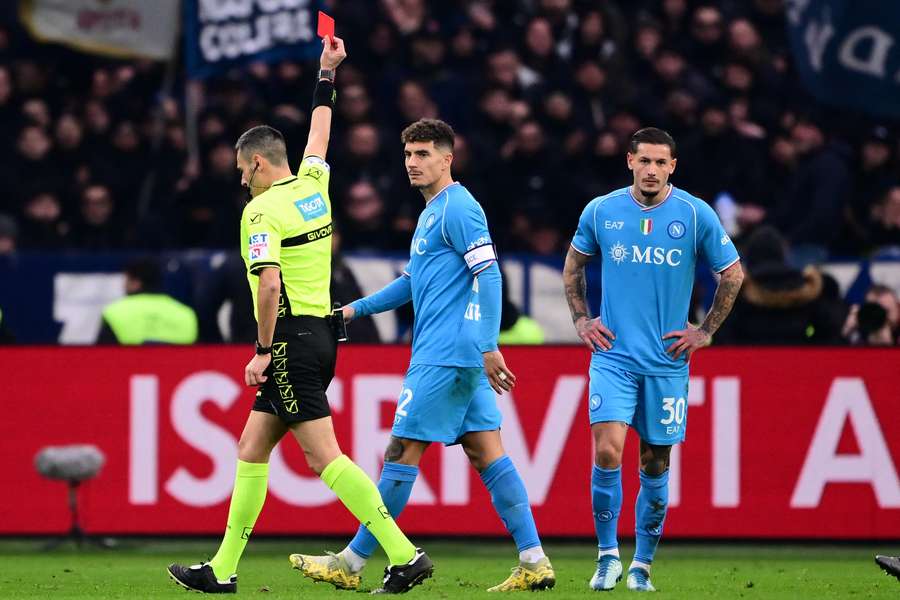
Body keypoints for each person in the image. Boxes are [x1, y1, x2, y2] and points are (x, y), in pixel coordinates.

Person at [167, 36, 433, 595]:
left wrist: (263, 351)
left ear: (258, 163)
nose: (241, 179)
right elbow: (320, 133)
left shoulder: (260, 210)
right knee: (251, 447)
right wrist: (326, 75)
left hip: (287, 338)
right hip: (321, 335)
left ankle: (405, 553)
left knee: (324, 457)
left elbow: (267, 283)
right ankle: (222, 569)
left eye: (243, 170)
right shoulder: (315, 185)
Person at [292, 119, 556, 592]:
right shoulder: (433, 211)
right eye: (409, 154)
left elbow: (489, 275)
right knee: (487, 454)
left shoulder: (458, 208)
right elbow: (413, 281)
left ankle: (352, 562)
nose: (413, 163)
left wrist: (490, 344)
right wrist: (354, 309)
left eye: (424, 154)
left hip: (446, 355)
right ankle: (534, 559)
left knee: (400, 452)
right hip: (459, 356)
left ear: (447, 158)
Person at [562, 127, 743, 592]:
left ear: (672, 168)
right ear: (629, 161)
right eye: (645, 161)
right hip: (613, 356)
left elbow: (733, 274)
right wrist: (583, 320)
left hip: (666, 362)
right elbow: (573, 266)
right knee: (606, 450)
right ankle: (606, 557)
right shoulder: (602, 211)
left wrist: (704, 332)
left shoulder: (694, 213)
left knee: (655, 462)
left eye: (661, 163)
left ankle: (642, 563)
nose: (652, 171)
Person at [97, 258, 198, 345]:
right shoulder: (186, 313)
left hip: (131, 366)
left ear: (136, 283)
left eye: (126, 280)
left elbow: (102, 358)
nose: (123, 286)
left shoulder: (114, 312)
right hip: (176, 366)